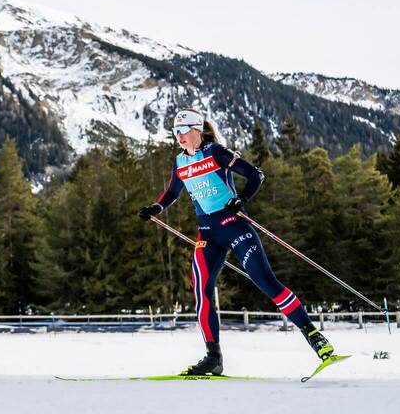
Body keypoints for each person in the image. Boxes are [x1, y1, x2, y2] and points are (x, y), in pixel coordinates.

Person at [138, 109, 334, 376]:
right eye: (175, 132)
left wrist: (240, 200)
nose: (179, 137)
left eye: (183, 131)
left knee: (265, 281)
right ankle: (213, 357)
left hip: (234, 225)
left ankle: (314, 336)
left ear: (197, 130)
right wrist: (155, 208)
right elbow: (173, 191)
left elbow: (256, 176)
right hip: (207, 233)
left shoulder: (215, 152)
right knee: (202, 292)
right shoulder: (180, 162)